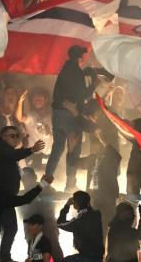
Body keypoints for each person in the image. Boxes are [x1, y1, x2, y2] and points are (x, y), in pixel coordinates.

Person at [45, 46, 105, 191]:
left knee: (57, 148)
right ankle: (70, 185)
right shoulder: (75, 71)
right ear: (80, 57)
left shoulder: (66, 69)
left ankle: (45, 184)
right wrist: (94, 86)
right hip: (69, 114)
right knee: (73, 149)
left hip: (57, 113)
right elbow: (81, 95)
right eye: (84, 55)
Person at [0, 125, 46, 262]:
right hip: (0, 197)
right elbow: (13, 155)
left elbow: (13, 155)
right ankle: (3, 257)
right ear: (3, 137)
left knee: (9, 228)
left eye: (17, 136)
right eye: (12, 136)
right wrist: (31, 149)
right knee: (8, 228)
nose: (16, 138)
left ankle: (2, 256)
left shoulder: (6, 151)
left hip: (7, 197)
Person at [57, 190, 104, 262]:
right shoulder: (96, 214)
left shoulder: (79, 221)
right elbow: (88, 209)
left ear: (75, 204)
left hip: (87, 257)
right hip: (98, 256)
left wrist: (67, 205)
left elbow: (60, 223)